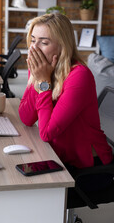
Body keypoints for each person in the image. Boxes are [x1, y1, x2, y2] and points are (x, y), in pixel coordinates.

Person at [18, 13, 113, 169]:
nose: (34, 48)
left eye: (44, 42)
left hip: (89, 167)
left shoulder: (79, 76)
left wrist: (43, 83)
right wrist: (38, 78)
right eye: (33, 40)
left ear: (62, 46)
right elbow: (26, 118)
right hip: (58, 155)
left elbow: (46, 133)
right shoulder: (42, 70)